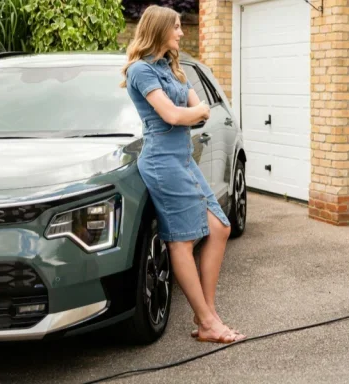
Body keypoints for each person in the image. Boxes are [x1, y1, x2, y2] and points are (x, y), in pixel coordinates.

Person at [120, 5, 246, 344]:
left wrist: (194, 111)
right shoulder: (140, 71)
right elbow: (174, 114)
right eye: (176, 27)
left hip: (183, 157)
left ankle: (208, 314)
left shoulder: (172, 69)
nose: (181, 32)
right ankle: (208, 321)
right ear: (159, 29)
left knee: (220, 227)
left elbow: (198, 108)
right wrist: (194, 111)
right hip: (162, 161)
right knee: (182, 239)